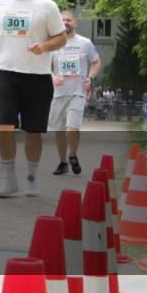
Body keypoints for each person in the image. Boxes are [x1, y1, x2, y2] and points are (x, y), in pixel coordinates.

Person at [0, 0, 66, 198]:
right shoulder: (0, 2)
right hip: (5, 72)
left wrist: (45, 46)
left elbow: (61, 38)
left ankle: (31, 178)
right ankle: (9, 179)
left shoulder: (47, 5)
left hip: (37, 76)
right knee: (4, 126)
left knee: (33, 131)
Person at [49, 10, 100, 175]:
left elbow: (96, 62)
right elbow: (43, 67)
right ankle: (63, 162)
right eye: (62, 20)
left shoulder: (85, 43)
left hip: (77, 92)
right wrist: (53, 77)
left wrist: (90, 78)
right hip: (57, 94)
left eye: (68, 20)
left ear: (75, 23)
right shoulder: (53, 43)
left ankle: (73, 155)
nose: (65, 22)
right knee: (59, 131)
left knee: (72, 128)